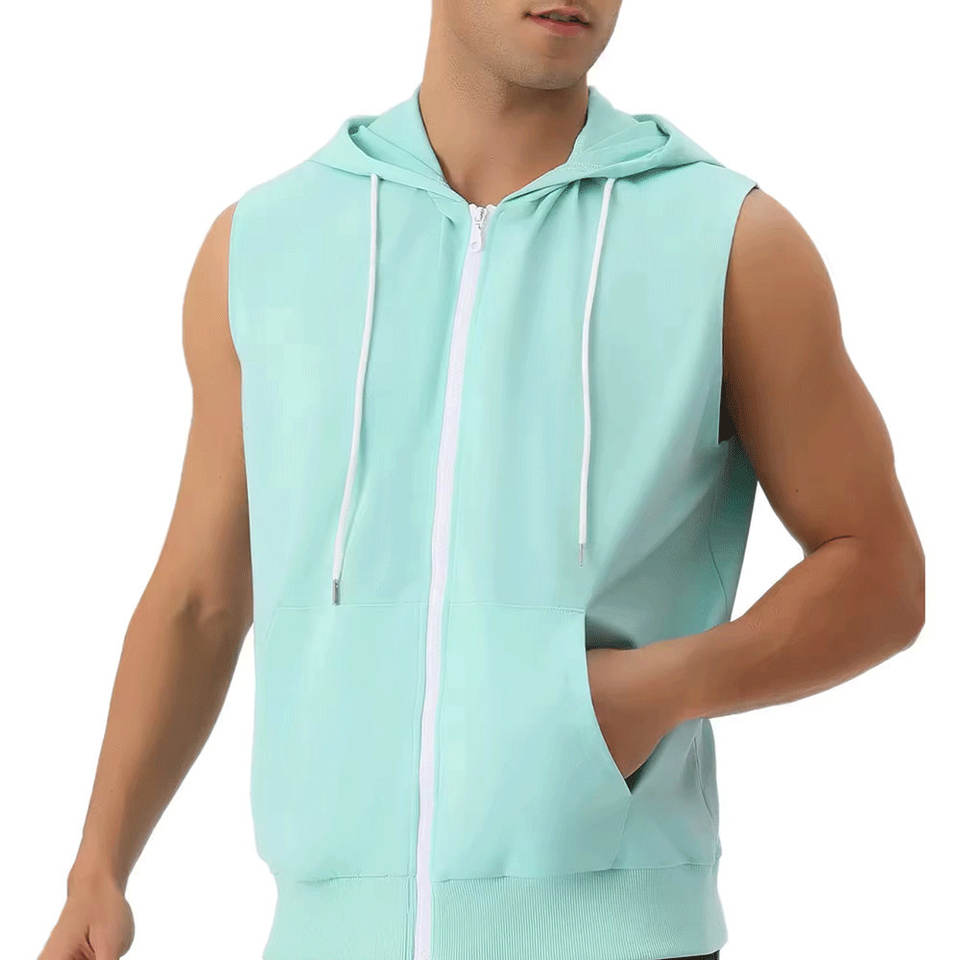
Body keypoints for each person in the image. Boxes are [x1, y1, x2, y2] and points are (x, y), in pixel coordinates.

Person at [39, 2, 925, 959]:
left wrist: (644, 695)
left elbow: (878, 571)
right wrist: (100, 867)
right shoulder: (263, 245)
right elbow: (201, 600)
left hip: (621, 939)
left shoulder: (730, 241)